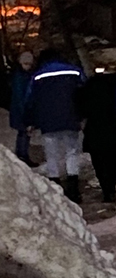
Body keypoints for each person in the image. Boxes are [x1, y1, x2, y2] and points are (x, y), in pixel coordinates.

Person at [24, 48, 85, 203]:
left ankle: (55, 186)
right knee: (71, 152)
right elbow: (84, 92)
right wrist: (82, 115)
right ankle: (73, 188)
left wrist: (30, 121)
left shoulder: (37, 77)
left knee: (52, 154)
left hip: (47, 121)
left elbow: (30, 101)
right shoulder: (74, 72)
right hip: (70, 118)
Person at [79, 71, 116, 203]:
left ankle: (105, 188)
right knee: (111, 161)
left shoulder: (88, 88)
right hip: (113, 129)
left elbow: (82, 108)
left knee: (98, 162)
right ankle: (110, 188)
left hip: (94, 130)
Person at [9, 51, 37, 167]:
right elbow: (21, 96)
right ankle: (22, 155)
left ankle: (22, 154)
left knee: (23, 133)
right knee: (24, 133)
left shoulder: (22, 75)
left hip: (21, 109)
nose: (28, 66)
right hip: (22, 110)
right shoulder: (21, 77)